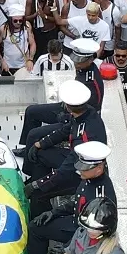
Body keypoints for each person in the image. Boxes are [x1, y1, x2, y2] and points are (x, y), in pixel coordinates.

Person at [26, 141, 115, 254]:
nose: (80, 171)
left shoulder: (101, 196)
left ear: (99, 169)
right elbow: (78, 202)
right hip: (75, 224)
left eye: (85, 168)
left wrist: (67, 247)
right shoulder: (89, 180)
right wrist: (53, 212)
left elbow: (95, 233)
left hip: (84, 237)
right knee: (35, 227)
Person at [22, 80, 107, 214]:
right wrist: (41, 143)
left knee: (38, 195)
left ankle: (40, 224)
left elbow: (67, 169)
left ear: (67, 106)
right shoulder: (85, 113)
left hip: (81, 175)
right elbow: (66, 130)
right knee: (40, 153)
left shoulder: (85, 138)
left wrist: (40, 184)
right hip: (75, 161)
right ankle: (33, 179)